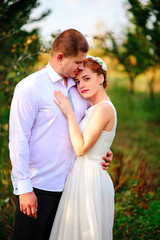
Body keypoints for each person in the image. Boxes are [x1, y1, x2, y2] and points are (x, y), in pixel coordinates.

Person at [9, 29, 113, 240]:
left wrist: (103, 149)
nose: (82, 67)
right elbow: (18, 140)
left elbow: (92, 124)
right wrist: (24, 189)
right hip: (39, 188)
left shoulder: (80, 88)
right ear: (60, 58)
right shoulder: (30, 88)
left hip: (73, 189)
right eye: (78, 62)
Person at [49, 56, 117, 240]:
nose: (81, 85)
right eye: (78, 81)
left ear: (101, 78)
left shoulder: (103, 109)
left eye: (87, 79)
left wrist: (70, 114)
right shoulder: (93, 107)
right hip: (80, 176)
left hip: (90, 180)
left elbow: (80, 149)